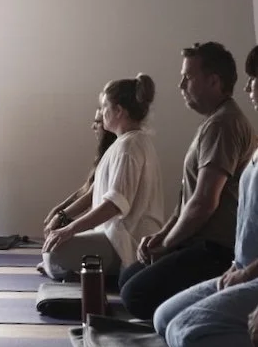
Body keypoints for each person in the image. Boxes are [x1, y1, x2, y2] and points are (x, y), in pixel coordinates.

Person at [119, 42, 254, 320]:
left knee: (135, 294)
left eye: (188, 77)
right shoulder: (214, 121)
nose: (181, 85)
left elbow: (204, 202)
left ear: (214, 81)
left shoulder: (223, 124)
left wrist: (168, 244)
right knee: (128, 278)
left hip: (215, 250)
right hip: (197, 240)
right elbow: (189, 198)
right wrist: (162, 236)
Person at [152, 46, 258, 347]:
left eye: (254, 78)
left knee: (186, 334)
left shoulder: (226, 123)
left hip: (246, 270)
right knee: (162, 319)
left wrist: (247, 273)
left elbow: (204, 201)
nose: (248, 87)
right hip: (240, 268)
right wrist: (237, 268)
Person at [42, 74, 163, 281]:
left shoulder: (129, 146)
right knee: (52, 247)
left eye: (105, 106)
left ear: (119, 111)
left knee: (53, 252)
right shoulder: (126, 143)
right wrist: (63, 217)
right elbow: (93, 192)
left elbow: (114, 205)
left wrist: (69, 230)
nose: (102, 112)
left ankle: (103, 273)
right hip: (115, 237)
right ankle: (79, 269)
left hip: (126, 242)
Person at [44, 106, 117, 234]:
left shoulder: (115, 153)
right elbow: (85, 190)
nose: (93, 127)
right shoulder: (104, 154)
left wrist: (61, 216)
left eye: (97, 122)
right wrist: (58, 210)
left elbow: (90, 195)